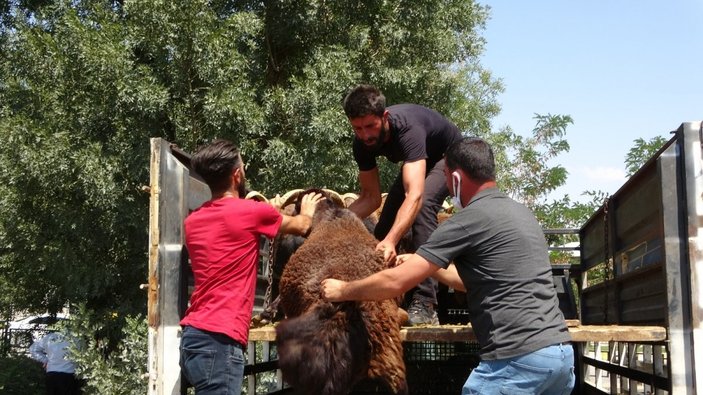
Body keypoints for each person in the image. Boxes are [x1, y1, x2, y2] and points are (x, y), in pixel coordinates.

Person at [322, 137, 575, 395]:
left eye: (444, 178)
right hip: (560, 355)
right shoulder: (521, 214)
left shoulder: (467, 220)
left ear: (455, 178)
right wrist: (429, 267)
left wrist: (342, 290)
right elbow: (478, 280)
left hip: (516, 361)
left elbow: (396, 282)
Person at [179, 139, 323, 395]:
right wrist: (309, 211)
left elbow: (228, 237)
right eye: (243, 167)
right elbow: (301, 226)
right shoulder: (251, 212)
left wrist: (269, 212)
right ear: (237, 175)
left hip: (192, 339)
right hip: (220, 340)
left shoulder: (193, 220)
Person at [343, 84, 463, 325]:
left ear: (384, 117)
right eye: (357, 128)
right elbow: (370, 198)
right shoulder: (362, 145)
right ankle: (375, 294)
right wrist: (335, 220)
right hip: (420, 161)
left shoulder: (408, 129)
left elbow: (415, 196)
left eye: (370, 126)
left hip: (449, 156)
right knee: (385, 223)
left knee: (424, 204)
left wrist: (391, 241)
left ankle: (426, 303)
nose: (365, 135)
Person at [29, 331, 83, 395]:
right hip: (70, 375)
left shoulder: (49, 337)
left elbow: (33, 349)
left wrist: (45, 360)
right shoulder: (77, 338)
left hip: (52, 374)